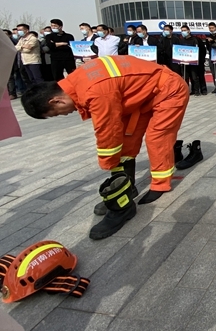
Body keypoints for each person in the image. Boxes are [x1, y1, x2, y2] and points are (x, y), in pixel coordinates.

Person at [21, 56, 190, 240]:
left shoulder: (95, 91)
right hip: (141, 95)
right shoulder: (77, 83)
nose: (65, 114)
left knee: (157, 137)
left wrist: (108, 163)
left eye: (56, 114)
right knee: (127, 139)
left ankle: (160, 184)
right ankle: (126, 188)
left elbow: (108, 131)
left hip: (168, 90)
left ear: (56, 101)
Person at [178, 25, 202, 95]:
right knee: (185, 77)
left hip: (192, 62)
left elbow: (196, 50)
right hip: (184, 62)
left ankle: (196, 91)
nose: (183, 32)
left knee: (194, 77)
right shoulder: (181, 40)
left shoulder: (194, 40)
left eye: (184, 30)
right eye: (182, 31)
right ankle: (185, 91)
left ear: (189, 31)